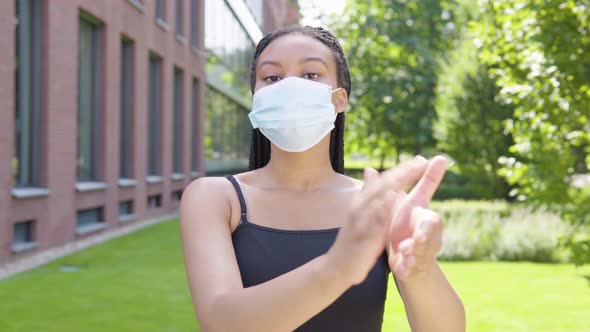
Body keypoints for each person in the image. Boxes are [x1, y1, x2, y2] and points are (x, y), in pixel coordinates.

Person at [180, 25, 465, 332]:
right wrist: (338, 268)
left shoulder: (377, 205)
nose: (289, 87)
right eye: (272, 77)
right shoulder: (215, 198)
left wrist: (420, 271)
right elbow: (222, 323)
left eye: (310, 74)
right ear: (257, 100)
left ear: (339, 99)